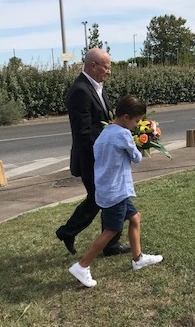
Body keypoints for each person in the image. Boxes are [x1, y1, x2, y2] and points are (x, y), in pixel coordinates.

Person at [69, 94, 163, 287]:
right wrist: (143, 144)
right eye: (136, 121)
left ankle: (138, 258)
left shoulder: (106, 131)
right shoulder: (122, 134)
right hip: (116, 190)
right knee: (112, 229)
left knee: (135, 217)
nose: (136, 125)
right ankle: (82, 265)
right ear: (126, 117)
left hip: (106, 187)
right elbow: (136, 157)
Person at [56, 48, 130, 256]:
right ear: (93, 66)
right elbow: (84, 132)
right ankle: (73, 233)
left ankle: (76, 234)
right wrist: (108, 148)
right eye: (106, 67)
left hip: (101, 157)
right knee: (103, 198)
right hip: (91, 158)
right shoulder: (80, 90)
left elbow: (107, 121)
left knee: (103, 198)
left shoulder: (97, 87)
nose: (109, 72)